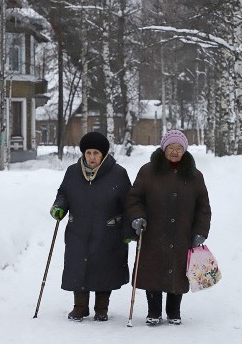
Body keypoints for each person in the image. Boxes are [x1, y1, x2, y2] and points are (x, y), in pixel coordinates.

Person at [126, 130, 211, 325]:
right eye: (171, 147)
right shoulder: (147, 171)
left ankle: (174, 311)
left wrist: (200, 231)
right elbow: (134, 199)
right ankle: (153, 312)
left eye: (179, 148)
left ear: (185, 150)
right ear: (164, 149)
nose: (175, 151)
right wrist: (137, 217)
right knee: (153, 270)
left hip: (182, 233)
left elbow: (204, 207)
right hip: (153, 231)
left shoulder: (195, 176)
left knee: (178, 271)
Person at [49, 131, 132, 322]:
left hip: (108, 231)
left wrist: (128, 231)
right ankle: (79, 307)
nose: (92, 157)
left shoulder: (118, 174)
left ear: (103, 154)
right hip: (78, 230)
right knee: (79, 267)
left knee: (105, 268)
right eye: (88, 153)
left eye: (96, 153)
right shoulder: (73, 172)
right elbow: (63, 193)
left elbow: (129, 204)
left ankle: (101, 308)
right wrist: (59, 207)